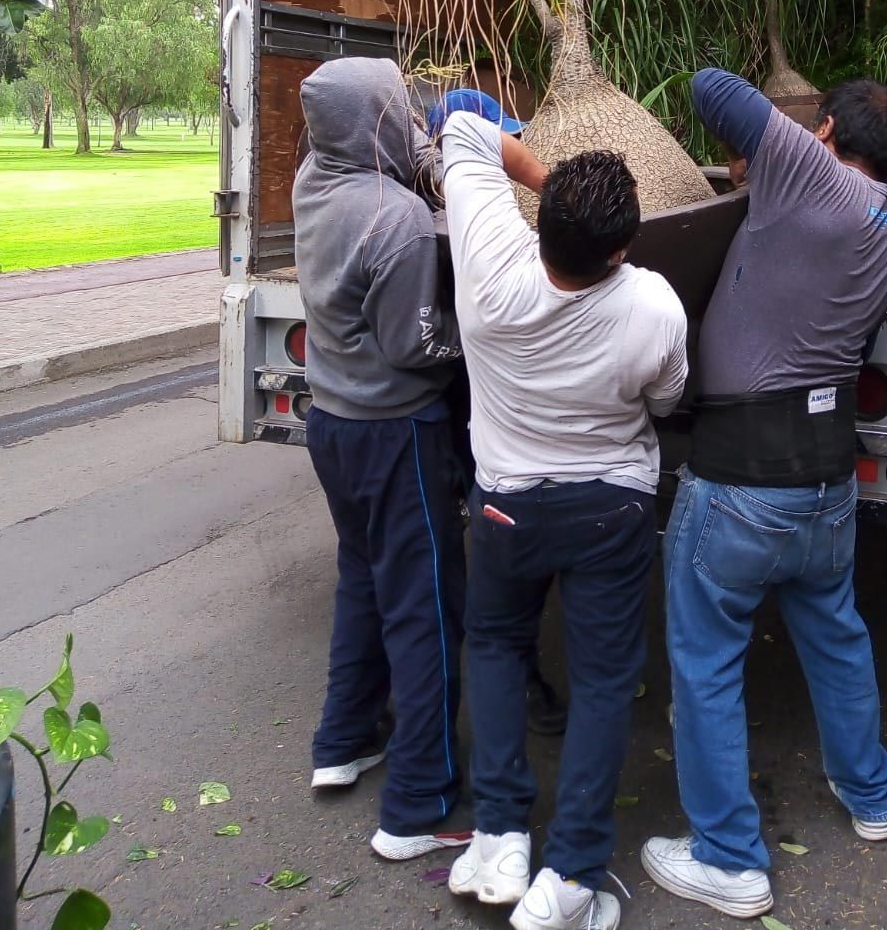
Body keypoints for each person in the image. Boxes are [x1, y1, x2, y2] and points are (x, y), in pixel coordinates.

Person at [642, 70, 887, 920]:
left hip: (741, 480)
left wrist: (777, 142)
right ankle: (871, 797)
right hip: (826, 479)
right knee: (835, 634)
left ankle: (728, 858)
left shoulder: (810, 170)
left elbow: (712, 88)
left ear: (826, 132)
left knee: (705, 658)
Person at [440, 110, 688, 930]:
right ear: (619, 250)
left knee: (499, 648)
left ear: (539, 222)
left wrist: (555, 189)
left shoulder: (488, 269)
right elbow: (668, 400)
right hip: (607, 511)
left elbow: (464, 126)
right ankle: (572, 877)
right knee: (606, 679)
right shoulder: (652, 304)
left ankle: (503, 835)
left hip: (505, 506)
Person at [292, 56, 470, 862]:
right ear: (377, 125)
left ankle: (342, 741)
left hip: (332, 422)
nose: (414, 120)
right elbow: (414, 344)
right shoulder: (395, 218)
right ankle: (419, 805)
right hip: (397, 431)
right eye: (404, 110)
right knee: (424, 606)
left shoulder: (313, 181)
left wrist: (422, 155)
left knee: (361, 580)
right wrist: (478, 341)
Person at [426, 86, 570, 741]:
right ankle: (510, 688)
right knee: (486, 576)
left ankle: (508, 679)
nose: (516, 149)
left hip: (468, 416)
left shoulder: (456, 211)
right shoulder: (463, 229)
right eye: (504, 139)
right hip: (467, 417)